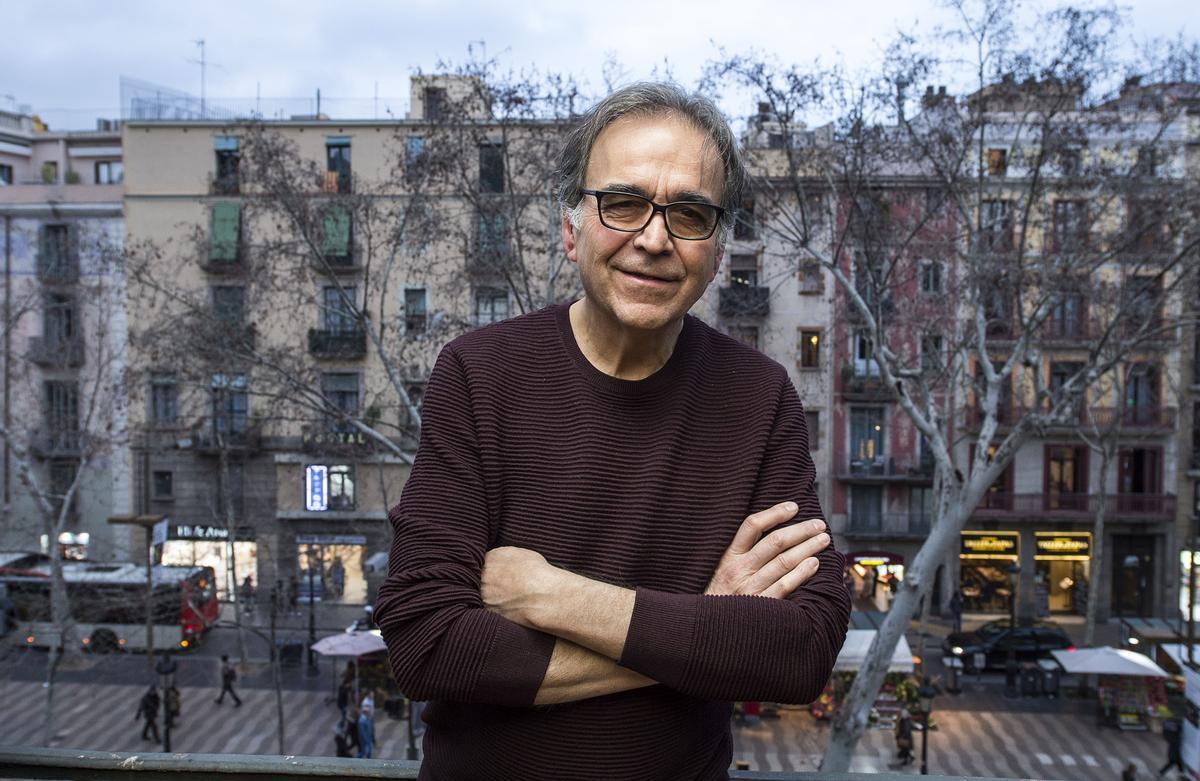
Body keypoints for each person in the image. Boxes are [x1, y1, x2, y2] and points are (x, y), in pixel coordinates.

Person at [375, 82, 851, 780]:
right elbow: (426, 643)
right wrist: (704, 625)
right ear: (571, 230)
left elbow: (802, 649)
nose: (654, 239)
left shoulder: (760, 397)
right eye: (622, 204)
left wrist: (554, 596)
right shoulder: (477, 374)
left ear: (716, 250)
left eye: (689, 213)